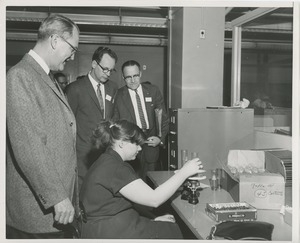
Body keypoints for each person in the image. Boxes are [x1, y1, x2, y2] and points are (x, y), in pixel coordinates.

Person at [6, 14, 80, 239]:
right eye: (73, 48)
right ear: (56, 41)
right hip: (39, 215)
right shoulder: (21, 75)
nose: (73, 56)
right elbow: (29, 147)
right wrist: (57, 196)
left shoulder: (46, 77)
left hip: (55, 212)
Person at [80, 120, 205, 239]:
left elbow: (121, 203)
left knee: (168, 226)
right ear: (122, 143)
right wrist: (184, 172)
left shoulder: (108, 159)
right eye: (136, 144)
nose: (140, 149)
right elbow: (154, 199)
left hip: (104, 226)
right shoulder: (116, 167)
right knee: (175, 231)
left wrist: (152, 220)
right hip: (108, 231)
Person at [65, 47, 118, 189]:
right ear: (94, 64)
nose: (107, 74)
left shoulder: (113, 88)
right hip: (83, 155)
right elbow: (66, 125)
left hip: (105, 153)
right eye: (105, 69)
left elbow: (112, 117)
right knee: (83, 194)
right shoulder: (75, 89)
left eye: (111, 70)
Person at [113, 60, 169, 180]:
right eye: (128, 77)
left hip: (151, 148)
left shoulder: (153, 91)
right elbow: (116, 124)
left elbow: (163, 118)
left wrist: (160, 138)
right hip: (130, 149)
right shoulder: (118, 95)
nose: (132, 80)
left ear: (141, 74)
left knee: (151, 185)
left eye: (135, 76)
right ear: (123, 77)